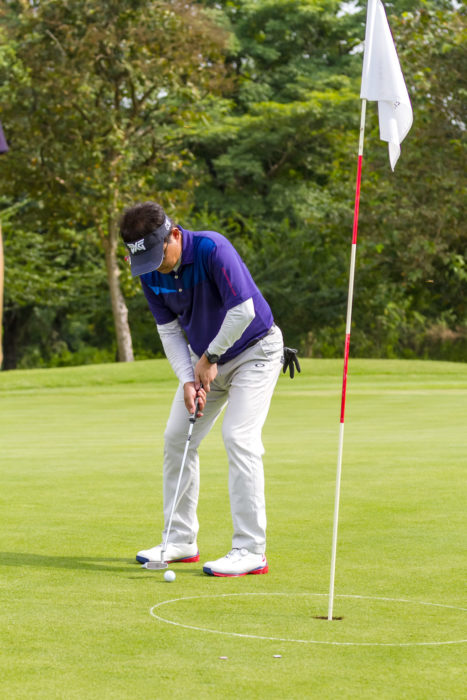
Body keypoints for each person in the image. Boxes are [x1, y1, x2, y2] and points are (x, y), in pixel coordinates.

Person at [119, 201, 299, 576]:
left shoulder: (212, 249)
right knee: (177, 438)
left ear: (174, 235)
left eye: (157, 256)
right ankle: (180, 539)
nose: (155, 267)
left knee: (238, 437)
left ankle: (251, 549)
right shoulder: (150, 273)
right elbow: (169, 331)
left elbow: (244, 311)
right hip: (205, 360)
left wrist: (210, 357)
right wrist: (188, 378)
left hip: (257, 351)